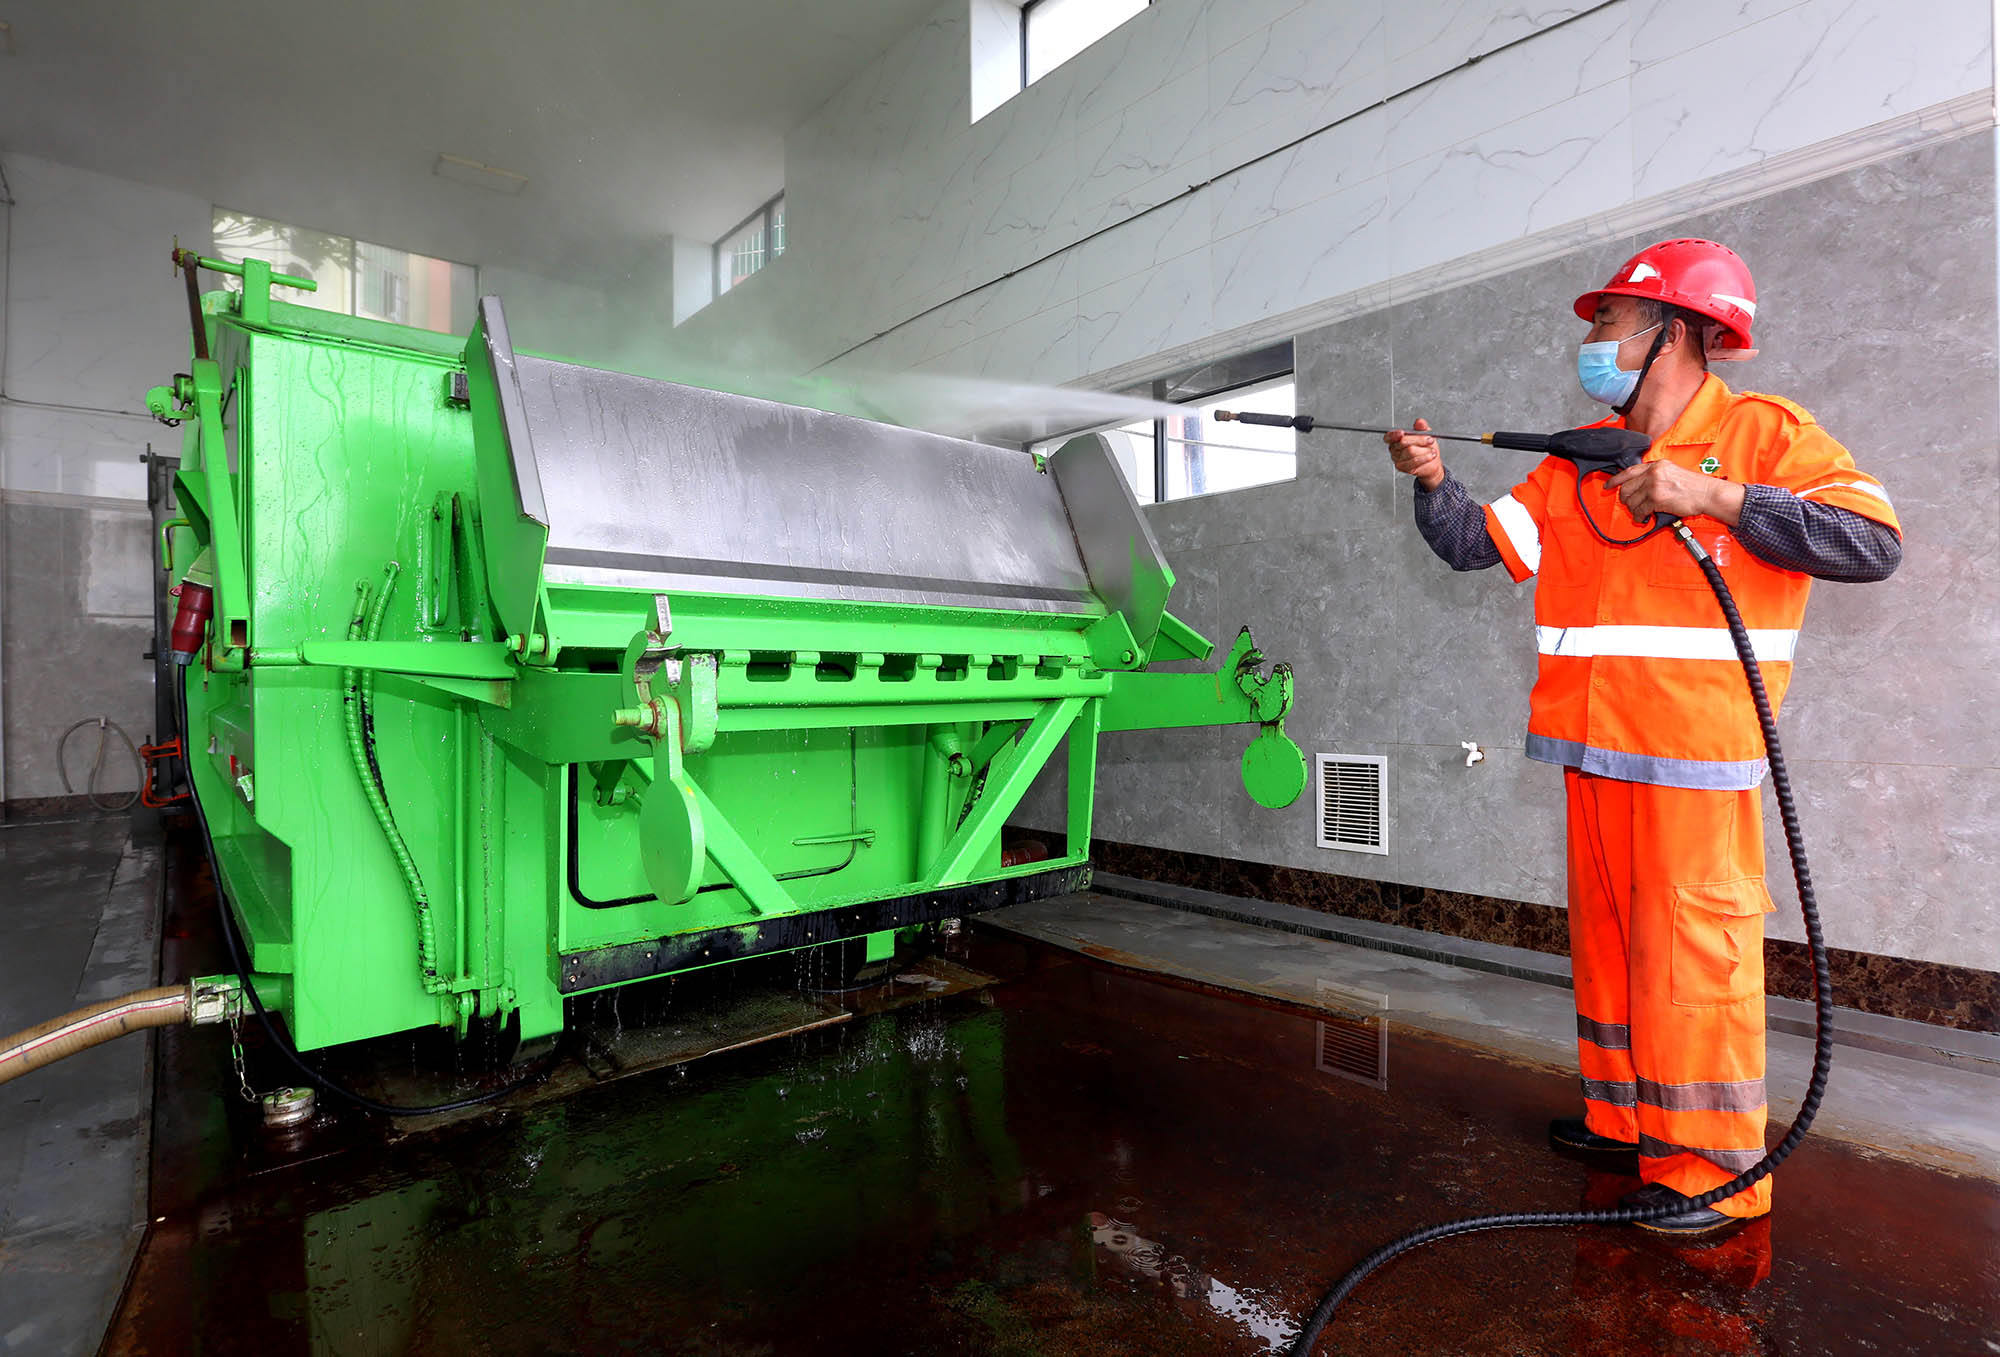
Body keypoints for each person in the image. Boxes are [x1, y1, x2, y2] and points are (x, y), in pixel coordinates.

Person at [1384, 239, 1902, 1235]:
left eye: (1608, 320)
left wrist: (1711, 496)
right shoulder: (1579, 457)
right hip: (1588, 752)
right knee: (1614, 954)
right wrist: (1432, 481)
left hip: (1692, 763)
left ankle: (1711, 1171)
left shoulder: (1761, 433)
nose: (1590, 338)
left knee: (1689, 966)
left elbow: (1871, 543)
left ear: (1675, 332)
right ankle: (1625, 1121)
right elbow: (1471, 544)